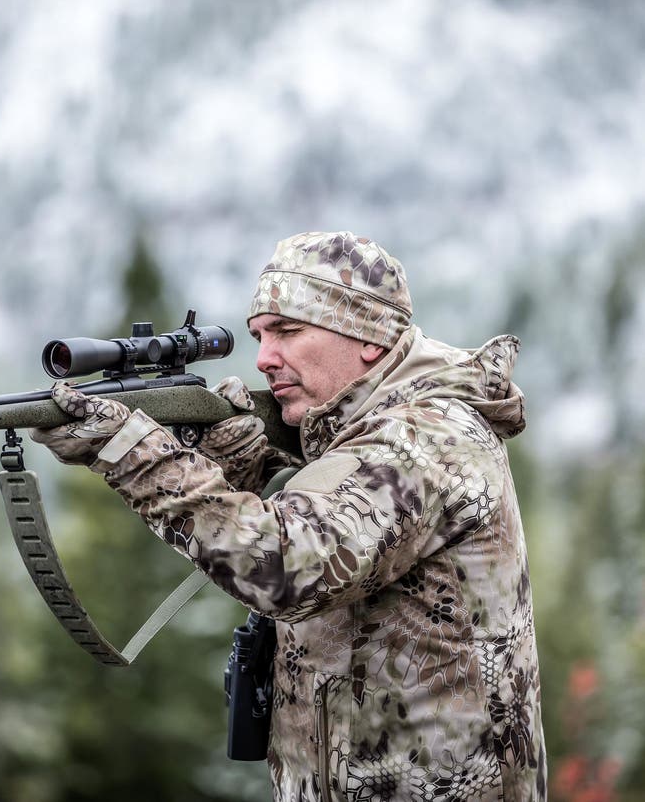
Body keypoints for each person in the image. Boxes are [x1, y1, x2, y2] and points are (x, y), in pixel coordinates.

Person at [30, 231, 547, 802]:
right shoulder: (358, 432)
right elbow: (326, 511)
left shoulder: (427, 438)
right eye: (259, 335)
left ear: (367, 335)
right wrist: (240, 464)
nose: (264, 358)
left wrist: (137, 455)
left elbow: (286, 566)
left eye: (287, 331)